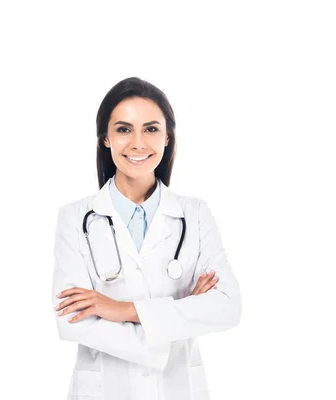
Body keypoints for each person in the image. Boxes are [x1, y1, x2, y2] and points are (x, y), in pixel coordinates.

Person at [51, 77, 241, 400]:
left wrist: (119, 309)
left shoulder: (194, 214)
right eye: (124, 129)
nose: (138, 143)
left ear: (168, 137)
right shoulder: (74, 218)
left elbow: (227, 307)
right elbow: (71, 320)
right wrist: (179, 315)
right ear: (106, 139)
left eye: (151, 129)